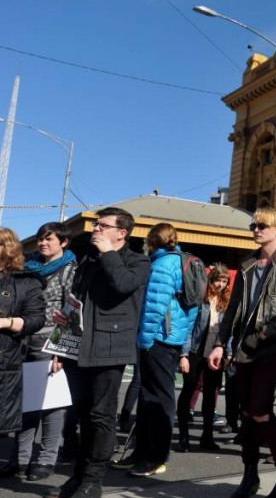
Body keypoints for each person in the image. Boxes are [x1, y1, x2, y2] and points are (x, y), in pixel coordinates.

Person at [44, 208, 151, 498]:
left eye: (103, 225)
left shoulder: (138, 261)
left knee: (101, 415)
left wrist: (108, 254)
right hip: (79, 345)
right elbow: (78, 299)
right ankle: (79, 476)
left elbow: (123, 285)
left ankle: (93, 481)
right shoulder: (88, 259)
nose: (96, 229)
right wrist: (65, 318)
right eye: (96, 224)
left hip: (110, 347)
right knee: (82, 414)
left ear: (122, 233)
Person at [208, 207, 276, 498]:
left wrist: (265, 333)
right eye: (254, 225)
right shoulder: (248, 263)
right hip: (244, 347)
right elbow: (233, 310)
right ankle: (249, 475)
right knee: (247, 413)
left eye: (262, 225)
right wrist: (220, 343)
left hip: (271, 345)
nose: (256, 229)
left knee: (261, 411)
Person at [112, 223, 195, 477]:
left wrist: (144, 340)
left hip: (158, 338)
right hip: (171, 337)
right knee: (151, 397)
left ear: (151, 241)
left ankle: (155, 457)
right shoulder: (180, 262)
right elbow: (193, 308)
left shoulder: (162, 265)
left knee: (157, 399)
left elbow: (154, 307)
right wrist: (183, 338)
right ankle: (142, 453)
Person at [7, 222, 76, 482]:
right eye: (40, 239)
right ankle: (20, 458)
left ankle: (46, 459)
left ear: (64, 242)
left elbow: (72, 312)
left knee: (51, 404)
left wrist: (60, 351)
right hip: (22, 338)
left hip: (50, 341)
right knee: (24, 403)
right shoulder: (28, 266)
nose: (43, 243)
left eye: (49, 239)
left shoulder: (70, 270)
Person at [0, 227, 46, 474]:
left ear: (7, 249)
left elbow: (36, 319)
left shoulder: (25, 281)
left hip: (5, 359)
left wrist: (6, 322)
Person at [176, 263, 232, 453]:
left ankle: (207, 437)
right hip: (195, 351)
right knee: (188, 389)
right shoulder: (200, 299)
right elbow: (188, 327)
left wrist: (228, 352)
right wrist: (184, 354)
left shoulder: (226, 302)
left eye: (224, 281)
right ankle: (183, 437)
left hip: (215, 353)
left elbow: (228, 331)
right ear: (210, 280)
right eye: (218, 280)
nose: (220, 285)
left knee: (210, 394)